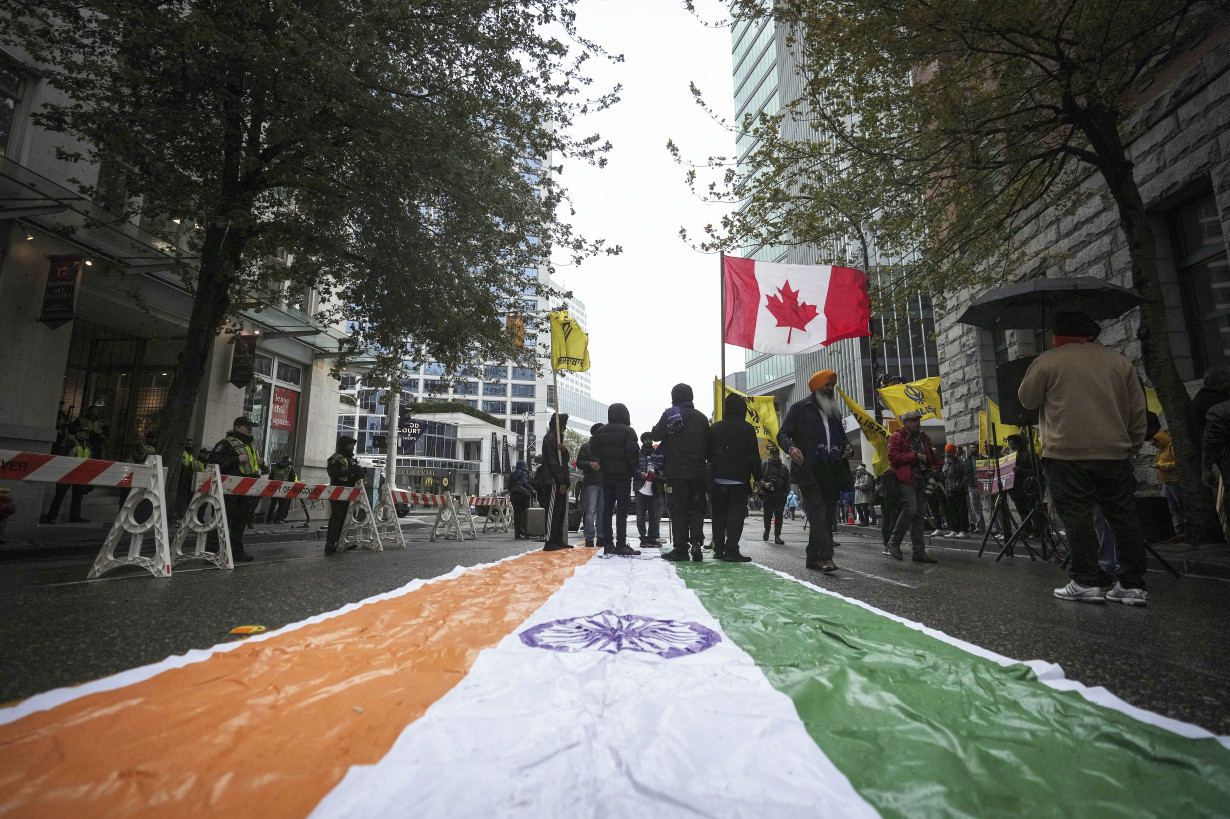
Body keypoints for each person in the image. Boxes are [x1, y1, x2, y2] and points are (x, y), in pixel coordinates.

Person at [1018, 310, 1149, 605]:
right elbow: (1137, 411)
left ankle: (1086, 581)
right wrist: (1133, 445)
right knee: (1123, 518)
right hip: (1114, 453)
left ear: (1058, 336)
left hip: (1066, 454)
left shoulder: (1048, 361)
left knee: (1077, 517)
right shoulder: (1119, 362)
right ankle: (1132, 585)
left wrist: (1039, 364)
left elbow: (1027, 399)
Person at [776, 370, 851, 573]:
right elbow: (782, 434)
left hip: (831, 469)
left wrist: (847, 446)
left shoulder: (834, 411)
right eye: (826, 386)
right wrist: (791, 448)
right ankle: (826, 557)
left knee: (826, 515)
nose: (829, 389)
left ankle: (812, 557)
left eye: (831, 385)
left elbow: (841, 438)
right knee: (818, 512)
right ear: (816, 388)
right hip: (809, 469)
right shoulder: (800, 408)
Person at [651, 383, 710, 562]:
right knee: (697, 509)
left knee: (678, 510)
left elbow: (655, 434)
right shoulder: (701, 418)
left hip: (676, 473)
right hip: (698, 472)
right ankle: (697, 543)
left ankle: (681, 549)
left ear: (674, 397)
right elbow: (708, 446)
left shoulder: (671, 414)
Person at [707, 391, 761, 561]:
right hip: (739, 480)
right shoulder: (747, 428)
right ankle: (731, 550)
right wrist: (757, 477)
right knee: (735, 517)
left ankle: (718, 549)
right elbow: (754, 455)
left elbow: (708, 454)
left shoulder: (714, 428)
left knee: (718, 516)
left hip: (718, 480)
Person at [884, 410, 941, 563]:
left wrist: (934, 462)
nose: (917, 422)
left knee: (919, 516)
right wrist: (914, 456)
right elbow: (893, 458)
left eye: (918, 420)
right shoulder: (896, 437)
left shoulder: (924, 438)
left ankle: (919, 551)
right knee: (911, 509)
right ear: (905, 422)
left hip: (922, 479)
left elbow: (932, 459)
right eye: (913, 420)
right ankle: (893, 542)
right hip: (905, 480)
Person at [207, 417, 262, 562]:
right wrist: (235, 460)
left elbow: (251, 467)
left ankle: (236, 552)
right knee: (221, 520)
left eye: (251, 426)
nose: (250, 429)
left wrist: (261, 463)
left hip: (246, 490)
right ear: (237, 427)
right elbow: (212, 460)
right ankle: (213, 553)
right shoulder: (226, 443)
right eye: (247, 426)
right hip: (228, 490)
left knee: (240, 522)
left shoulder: (250, 445)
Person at [591, 403, 641, 555]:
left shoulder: (600, 432)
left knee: (606, 511)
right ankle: (621, 544)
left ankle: (608, 544)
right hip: (623, 476)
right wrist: (634, 471)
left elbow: (594, 450)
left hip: (606, 476)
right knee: (622, 511)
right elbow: (633, 454)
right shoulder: (629, 431)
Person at [41, 424, 92, 524]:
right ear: (78, 433)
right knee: (59, 496)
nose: (87, 434)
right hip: (67, 473)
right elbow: (61, 457)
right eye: (85, 432)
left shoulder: (88, 446)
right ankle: (51, 517)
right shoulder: (70, 443)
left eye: (87, 433)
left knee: (78, 498)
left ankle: (75, 517)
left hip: (80, 475)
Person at [324, 435, 365, 555]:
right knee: (336, 517)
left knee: (346, 518)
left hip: (350, 492)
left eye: (353, 445)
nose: (352, 447)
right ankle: (330, 543)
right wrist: (352, 471)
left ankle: (342, 541)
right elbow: (334, 473)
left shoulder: (352, 459)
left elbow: (357, 475)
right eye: (350, 444)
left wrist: (361, 473)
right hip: (338, 491)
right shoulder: (335, 458)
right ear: (343, 444)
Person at [541, 413, 573, 551]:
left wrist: (565, 451)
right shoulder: (550, 437)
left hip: (560, 479)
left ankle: (558, 539)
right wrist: (561, 481)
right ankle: (550, 540)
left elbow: (563, 461)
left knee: (560, 512)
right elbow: (553, 462)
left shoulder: (558, 437)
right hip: (554, 480)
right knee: (553, 512)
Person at [576, 423, 604, 548]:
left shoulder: (606, 447)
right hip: (591, 483)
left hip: (603, 483)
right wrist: (589, 464)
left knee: (600, 512)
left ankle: (601, 537)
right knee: (591, 512)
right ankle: (589, 538)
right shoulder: (586, 447)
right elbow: (579, 463)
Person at [635, 432, 665, 547]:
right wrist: (640, 473)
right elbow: (633, 468)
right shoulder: (638, 455)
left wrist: (658, 475)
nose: (648, 441)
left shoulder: (657, 454)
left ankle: (652, 537)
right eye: (646, 439)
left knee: (654, 514)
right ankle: (643, 538)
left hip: (654, 488)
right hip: (640, 487)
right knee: (640, 515)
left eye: (650, 439)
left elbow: (662, 468)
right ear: (642, 441)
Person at [760, 445, 791, 543]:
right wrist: (765, 484)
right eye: (773, 454)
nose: (774, 456)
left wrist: (785, 494)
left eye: (776, 454)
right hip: (768, 495)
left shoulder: (784, 468)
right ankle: (767, 530)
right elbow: (759, 479)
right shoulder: (765, 466)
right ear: (770, 455)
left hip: (779, 495)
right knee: (767, 515)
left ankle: (777, 536)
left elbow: (788, 482)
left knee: (779, 516)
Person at [942, 444, 972, 538]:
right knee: (953, 511)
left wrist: (960, 486)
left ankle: (964, 530)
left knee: (962, 511)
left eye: (949, 452)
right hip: (950, 491)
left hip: (959, 491)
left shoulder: (962, 462)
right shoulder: (947, 464)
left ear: (954, 452)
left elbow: (967, 476)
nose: (947, 454)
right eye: (946, 452)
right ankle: (955, 529)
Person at [508, 459, 534, 538]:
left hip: (514, 496)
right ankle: (525, 530)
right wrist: (531, 490)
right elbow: (524, 482)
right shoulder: (525, 473)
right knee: (525, 513)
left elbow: (508, 486)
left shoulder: (513, 474)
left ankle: (517, 532)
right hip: (523, 496)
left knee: (517, 514)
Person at [267, 456, 297, 524]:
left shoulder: (275, 467)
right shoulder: (290, 467)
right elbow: (292, 479)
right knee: (283, 504)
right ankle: (279, 519)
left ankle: (269, 519)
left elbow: (270, 478)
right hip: (285, 489)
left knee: (273, 504)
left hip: (274, 488)